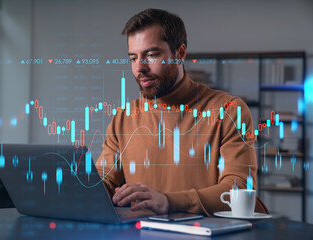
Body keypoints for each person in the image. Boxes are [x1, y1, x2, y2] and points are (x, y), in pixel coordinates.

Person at [95, 8, 268, 216]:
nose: (140, 67)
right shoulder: (123, 118)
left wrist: (168, 201)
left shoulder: (229, 110)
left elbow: (239, 189)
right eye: (133, 57)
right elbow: (101, 182)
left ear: (180, 53)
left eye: (151, 55)